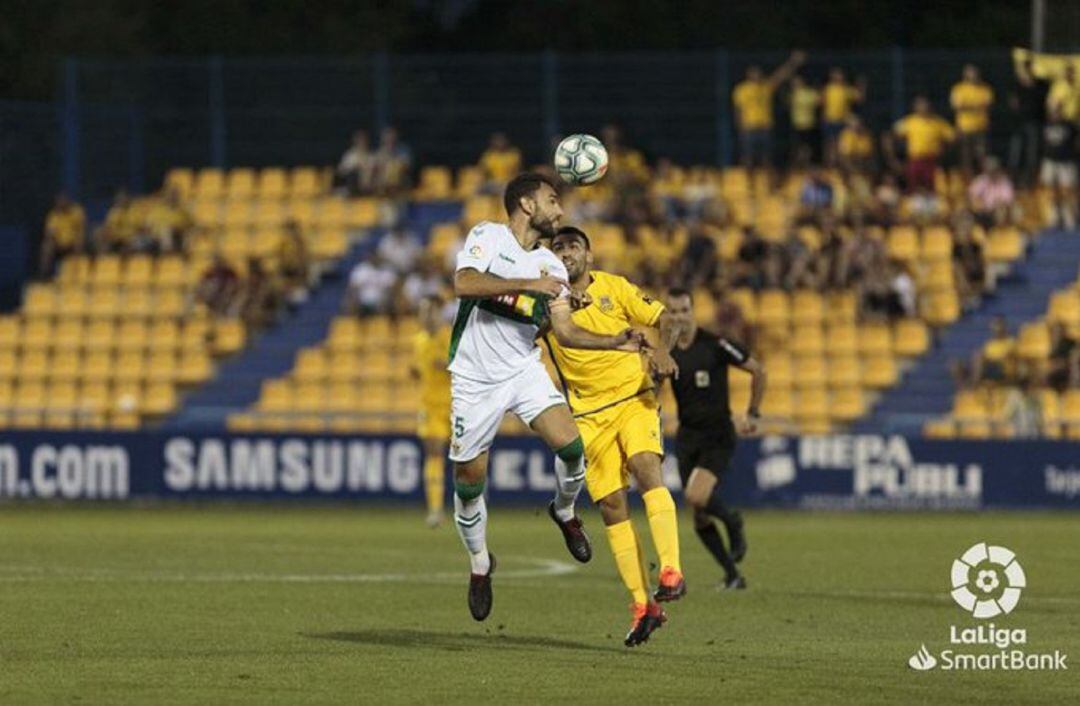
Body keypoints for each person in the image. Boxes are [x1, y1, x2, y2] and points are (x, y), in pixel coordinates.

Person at [448, 173, 644, 623]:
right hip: (475, 378)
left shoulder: (554, 268)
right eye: (552, 200)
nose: (560, 210)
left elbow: (566, 332)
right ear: (525, 204)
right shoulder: (489, 236)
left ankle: (564, 509)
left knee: (574, 450)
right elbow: (464, 283)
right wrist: (527, 286)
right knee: (467, 480)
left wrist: (616, 340)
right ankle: (480, 563)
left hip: (521, 368)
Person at [544, 225, 685, 647]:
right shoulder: (547, 303)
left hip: (634, 396)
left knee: (646, 468)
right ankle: (644, 606)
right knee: (610, 506)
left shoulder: (614, 287)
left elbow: (665, 318)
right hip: (587, 413)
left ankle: (672, 571)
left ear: (589, 253)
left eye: (573, 246)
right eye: (558, 247)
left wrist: (663, 350)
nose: (566, 252)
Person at [664, 288, 766, 590]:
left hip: (717, 433)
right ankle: (733, 575)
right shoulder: (667, 351)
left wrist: (754, 413)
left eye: (683, 310)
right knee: (698, 514)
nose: (679, 317)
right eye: (673, 311)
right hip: (687, 436)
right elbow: (652, 386)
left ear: (693, 311)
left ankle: (733, 521)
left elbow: (758, 371)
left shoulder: (715, 345)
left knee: (697, 497)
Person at [411, 294, 453, 527]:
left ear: (439, 312)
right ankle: (435, 510)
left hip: (456, 405)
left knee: (465, 459)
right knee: (434, 453)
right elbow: (419, 368)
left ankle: (470, 505)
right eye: (422, 311)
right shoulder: (418, 340)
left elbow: (464, 366)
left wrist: (447, 366)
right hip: (430, 406)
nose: (425, 316)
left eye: (429, 311)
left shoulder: (450, 335)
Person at [732, 51, 805, 178]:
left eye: (758, 73)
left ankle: (769, 184)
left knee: (767, 158)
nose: (757, 76)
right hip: (749, 127)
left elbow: (780, 76)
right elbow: (737, 110)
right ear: (748, 75)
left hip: (765, 126)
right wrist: (740, 127)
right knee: (748, 158)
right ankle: (750, 186)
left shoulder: (766, 87)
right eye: (754, 73)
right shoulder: (741, 90)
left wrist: (793, 62)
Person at [885, 96, 955, 194]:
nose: (924, 107)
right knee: (913, 189)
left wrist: (945, 153)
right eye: (921, 105)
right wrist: (892, 159)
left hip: (933, 161)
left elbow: (952, 138)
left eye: (926, 105)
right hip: (915, 161)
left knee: (934, 189)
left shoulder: (938, 123)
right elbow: (890, 135)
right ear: (915, 107)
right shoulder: (910, 122)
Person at [1009, 56, 1051, 186]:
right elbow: (1013, 103)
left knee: (1032, 154)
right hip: (1019, 124)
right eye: (1025, 67)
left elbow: (1044, 103)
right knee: (1016, 153)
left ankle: (1029, 181)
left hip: (1035, 123)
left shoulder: (1041, 85)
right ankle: (1014, 180)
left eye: (1029, 67)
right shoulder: (1017, 85)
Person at [950, 64, 994, 176]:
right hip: (965, 128)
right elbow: (957, 106)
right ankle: (968, 181)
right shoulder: (959, 89)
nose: (973, 75)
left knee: (982, 155)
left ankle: (984, 179)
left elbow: (987, 105)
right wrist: (976, 106)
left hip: (981, 127)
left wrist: (968, 106)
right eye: (971, 73)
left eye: (975, 73)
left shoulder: (985, 88)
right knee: (966, 157)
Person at [1040, 103, 1079, 229]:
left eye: (1057, 111)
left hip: (1066, 162)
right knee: (1050, 192)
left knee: (1067, 192)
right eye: (1053, 111)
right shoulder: (1046, 125)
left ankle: (1070, 219)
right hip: (1050, 162)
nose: (1055, 114)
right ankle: (1054, 219)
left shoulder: (1069, 125)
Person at [822, 68, 864, 166]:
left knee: (840, 144)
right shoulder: (828, 89)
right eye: (836, 74)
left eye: (840, 74)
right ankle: (829, 164)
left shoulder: (846, 90)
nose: (838, 77)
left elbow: (859, 98)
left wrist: (861, 85)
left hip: (841, 121)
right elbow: (823, 102)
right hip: (829, 119)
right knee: (830, 143)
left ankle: (840, 164)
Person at [40, 193, 86, 277]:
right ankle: (45, 274)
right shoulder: (53, 216)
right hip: (59, 244)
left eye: (63, 201)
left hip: (73, 242)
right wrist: (52, 240)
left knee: (79, 241)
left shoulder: (76, 212)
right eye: (59, 202)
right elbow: (50, 234)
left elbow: (80, 229)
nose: (61, 203)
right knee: (47, 247)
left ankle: (76, 273)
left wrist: (76, 240)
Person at [968, 157, 1015, 229]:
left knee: (1002, 211)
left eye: (994, 170)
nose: (992, 173)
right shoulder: (982, 179)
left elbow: (1007, 202)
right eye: (989, 170)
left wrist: (996, 205)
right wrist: (980, 203)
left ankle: (1000, 232)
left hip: (997, 211)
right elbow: (971, 195)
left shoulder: (1005, 182)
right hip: (982, 211)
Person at [345, 252, 396, 317]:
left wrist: (386, 298)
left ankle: (381, 324)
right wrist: (354, 298)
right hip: (362, 301)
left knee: (387, 303)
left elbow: (393, 288)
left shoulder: (386, 270)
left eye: (377, 257)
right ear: (369, 258)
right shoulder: (361, 269)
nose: (375, 259)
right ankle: (354, 325)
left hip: (382, 301)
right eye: (373, 257)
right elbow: (353, 287)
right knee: (351, 302)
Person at [788, 75, 821, 167]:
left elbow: (819, 101)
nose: (795, 84)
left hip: (809, 124)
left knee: (808, 147)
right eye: (794, 83)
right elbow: (788, 103)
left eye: (797, 82)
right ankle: (798, 164)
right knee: (797, 147)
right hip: (797, 124)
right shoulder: (793, 94)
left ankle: (807, 164)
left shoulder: (809, 92)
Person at [277, 220, 312, 306]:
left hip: (298, 278)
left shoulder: (301, 244)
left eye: (291, 230)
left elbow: (304, 261)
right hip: (288, 277)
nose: (289, 233)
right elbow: (281, 259)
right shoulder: (283, 244)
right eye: (287, 230)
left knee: (300, 299)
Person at [372, 126, 413, 196]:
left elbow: (406, 167)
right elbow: (375, 169)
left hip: (400, 184)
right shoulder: (379, 153)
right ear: (384, 139)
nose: (390, 139)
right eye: (388, 138)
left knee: (394, 168)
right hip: (383, 186)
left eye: (392, 137)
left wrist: (393, 161)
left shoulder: (403, 151)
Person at [335, 130, 377, 196]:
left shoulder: (372, 156)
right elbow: (341, 171)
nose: (362, 142)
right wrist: (355, 167)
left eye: (364, 140)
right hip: (353, 188)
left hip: (369, 188)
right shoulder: (350, 155)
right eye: (360, 140)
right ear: (356, 141)